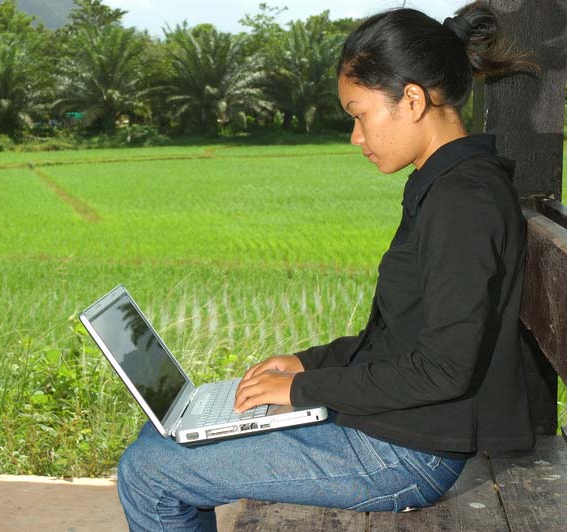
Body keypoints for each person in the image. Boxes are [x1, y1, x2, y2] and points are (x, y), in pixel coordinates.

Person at [116, 3, 537, 530]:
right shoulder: (448, 186)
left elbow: (442, 368)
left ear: (411, 100)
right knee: (159, 441)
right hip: (399, 429)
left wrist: (303, 392)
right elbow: (396, 338)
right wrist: (307, 363)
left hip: (408, 454)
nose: (355, 138)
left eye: (359, 114)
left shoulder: (462, 201)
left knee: (150, 471)